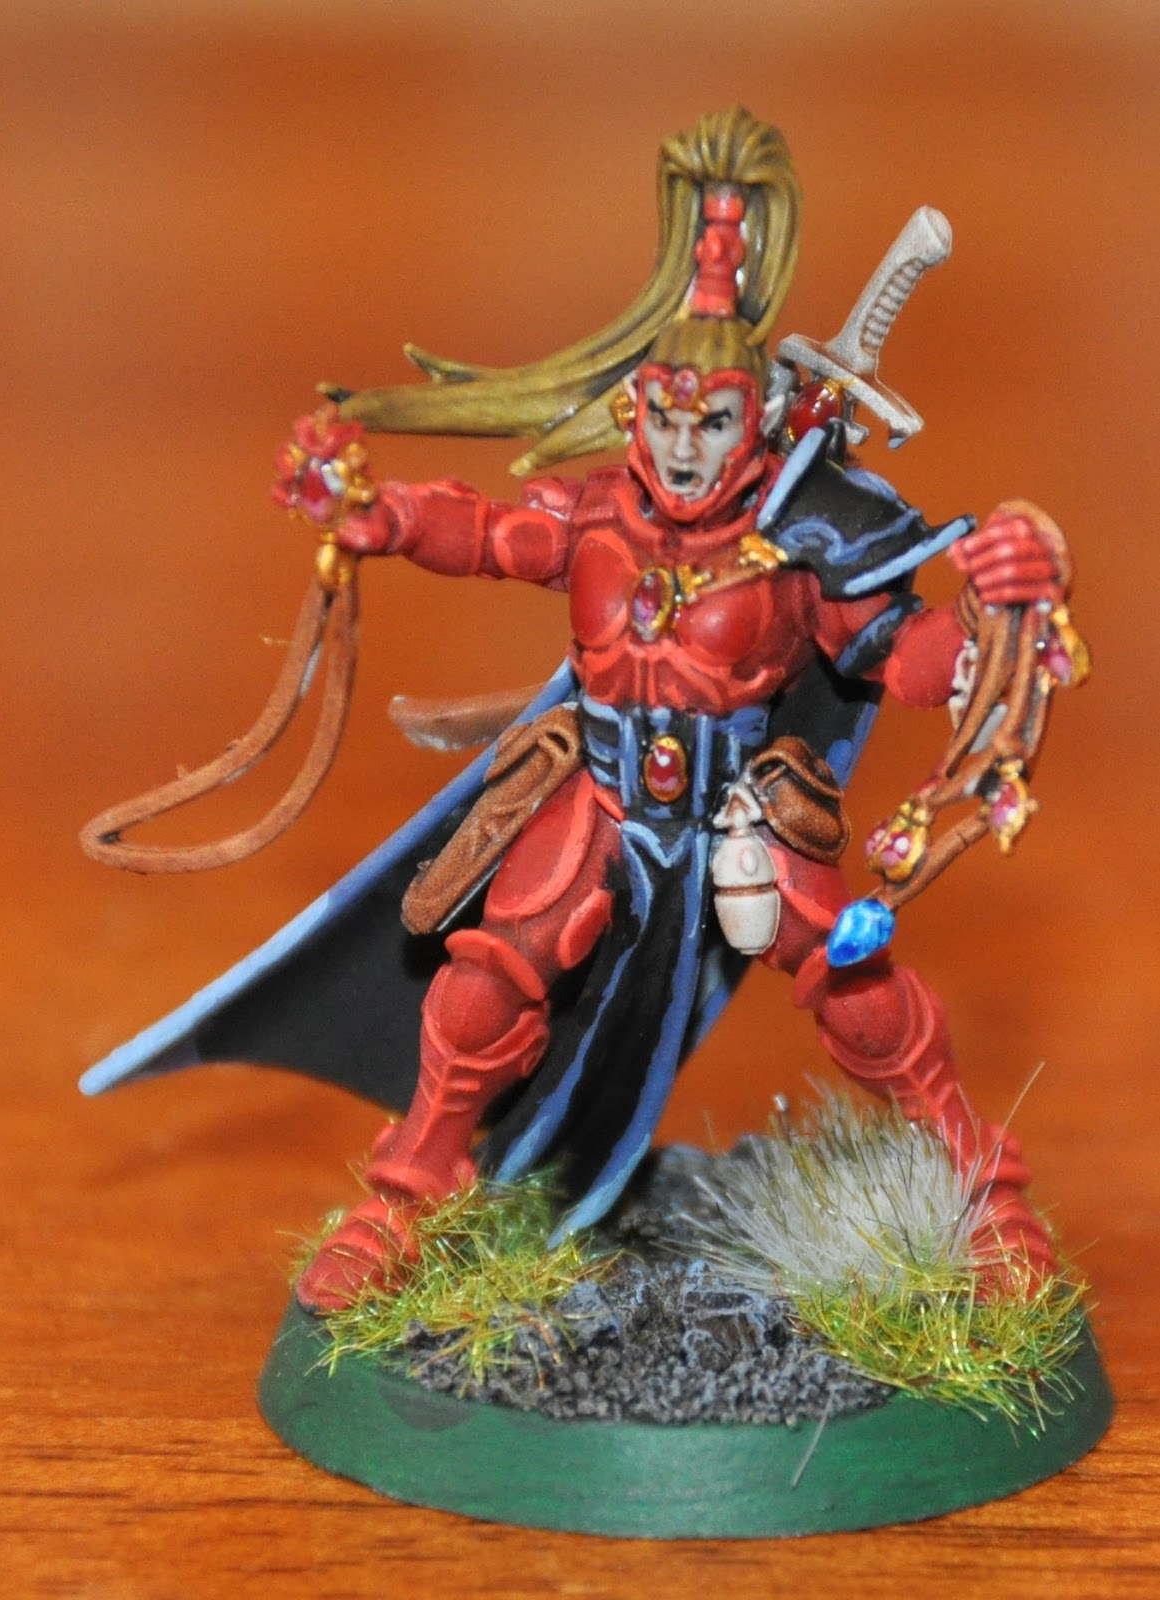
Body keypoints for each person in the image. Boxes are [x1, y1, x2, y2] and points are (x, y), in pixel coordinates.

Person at [262, 108, 1070, 1311]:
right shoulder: (602, 516)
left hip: (740, 809)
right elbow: (490, 532)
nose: (687, 448)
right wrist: (383, 518)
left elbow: (905, 655)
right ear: (641, 409)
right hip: (600, 794)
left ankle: (987, 1191)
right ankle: (404, 1196)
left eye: (715, 422)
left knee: (859, 991)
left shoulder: (801, 542)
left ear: (757, 419)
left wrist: (997, 608)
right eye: (669, 418)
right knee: (484, 983)